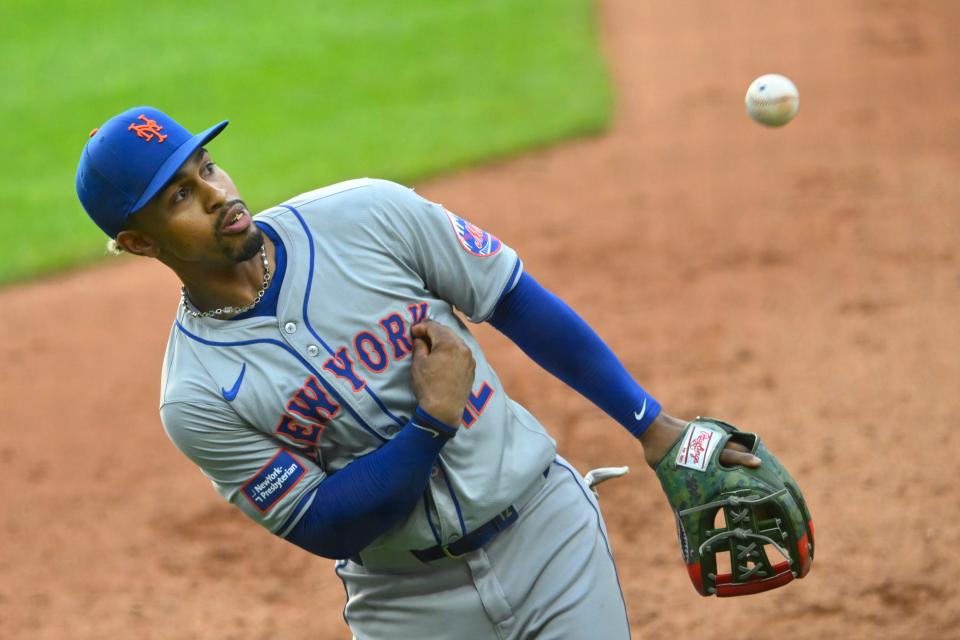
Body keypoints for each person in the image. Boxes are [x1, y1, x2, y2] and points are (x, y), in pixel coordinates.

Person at [76, 107, 760, 639]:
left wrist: (652, 424)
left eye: (207, 167)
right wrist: (430, 422)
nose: (217, 194)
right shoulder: (195, 394)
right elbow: (325, 524)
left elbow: (514, 298)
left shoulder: (365, 215)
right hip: (406, 604)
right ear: (138, 243)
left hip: (548, 538)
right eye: (178, 198)